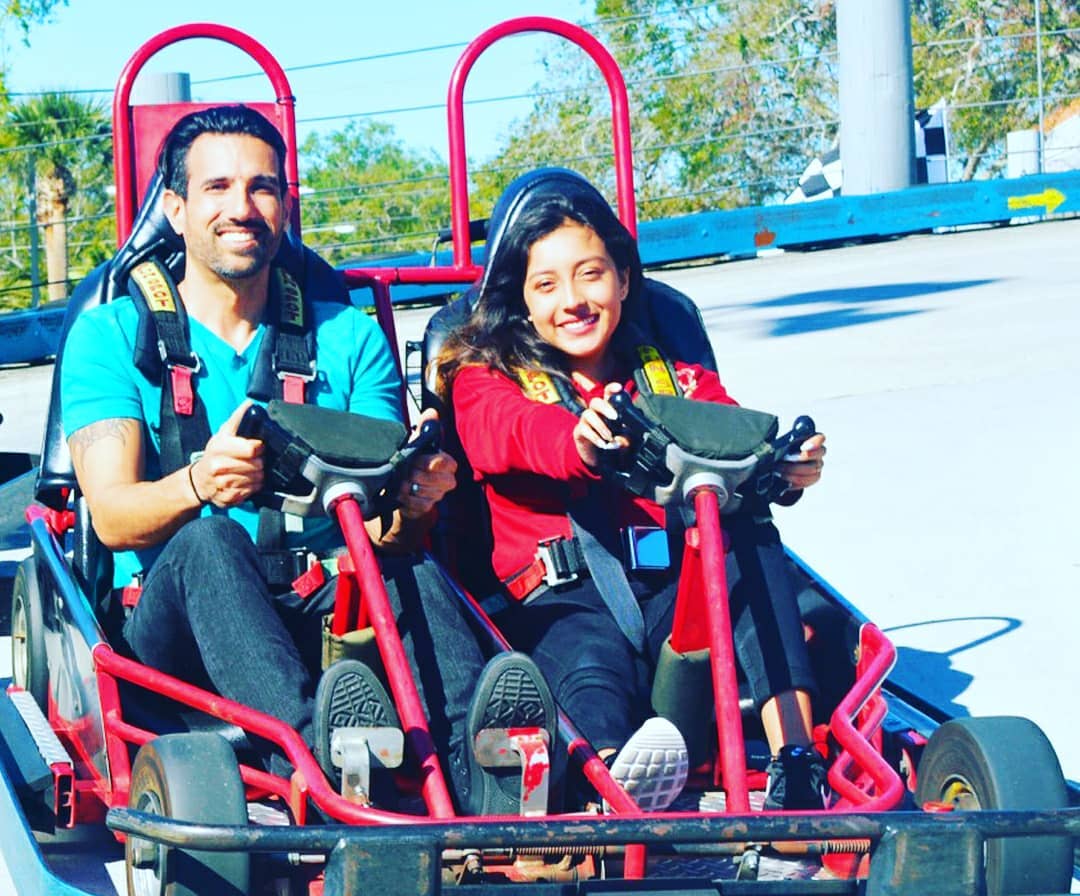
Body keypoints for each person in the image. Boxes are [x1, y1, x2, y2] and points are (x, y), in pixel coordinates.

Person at [59, 104, 554, 817]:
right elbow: (110, 518)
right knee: (208, 540)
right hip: (176, 626)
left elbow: (385, 531)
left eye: (262, 188)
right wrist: (199, 481)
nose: (243, 207)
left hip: (325, 604)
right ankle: (320, 769)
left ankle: (492, 780)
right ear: (175, 208)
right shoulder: (111, 335)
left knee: (408, 568)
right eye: (218, 188)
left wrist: (412, 503)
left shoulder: (348, 338)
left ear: (285, 206)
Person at [433, 182, 829, 811]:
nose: (573, 301)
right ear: (524, 301)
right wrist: (581, 442)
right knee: (585, 661)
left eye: (590, 275)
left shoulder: (673, 376)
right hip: (560, 602)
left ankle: (797, 762)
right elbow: (507, 438)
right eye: (548, 285)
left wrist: (781, 470)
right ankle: (617, 782)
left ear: (621, 278)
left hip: (676, 597)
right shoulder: (485, 378)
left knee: (752, 541)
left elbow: (731, 437)